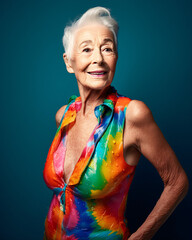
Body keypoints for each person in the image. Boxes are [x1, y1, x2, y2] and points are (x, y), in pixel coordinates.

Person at [43, 7, 189, 240]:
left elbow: (177, 181)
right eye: (87, 49)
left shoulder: (132, 116)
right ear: (69, 62)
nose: (98, 58)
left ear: (116, 57)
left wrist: (140, 237)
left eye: (107, 48)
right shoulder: (64, 116)